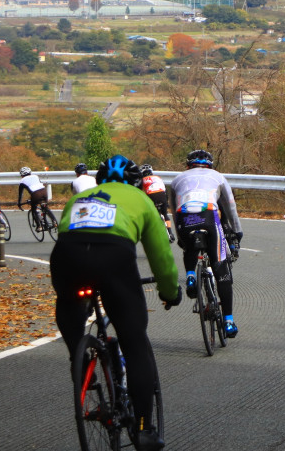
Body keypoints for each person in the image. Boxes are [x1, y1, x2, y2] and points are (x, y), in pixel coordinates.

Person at [51, 153, 181, 451]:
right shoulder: (141, 199)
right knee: (135, 343)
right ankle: (143, 427)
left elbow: (65, 233)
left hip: (67, 257)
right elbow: (160, 254)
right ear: (136, 183)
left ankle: (80, 361)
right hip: (113, 257)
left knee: (70, 306)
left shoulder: (79, 198)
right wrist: (169, 291)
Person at [167, 149, 243, 338]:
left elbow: (174, 213)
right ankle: (228, 322)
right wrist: (237, 231)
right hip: (208, 215)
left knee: (189, 248)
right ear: (210, 164)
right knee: (220, 268)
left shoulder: (177, 180)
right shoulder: (218, 177)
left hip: (185, 216)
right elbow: (230, 207)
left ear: (187, 165)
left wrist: (181, 238)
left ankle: (191, 275)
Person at [137, 164, 174, 242]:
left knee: (148, 215)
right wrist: (166, 203)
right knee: (165, 214)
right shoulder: (158, 178)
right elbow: (165, 191)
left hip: (151, 196)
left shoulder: (142, 180)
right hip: (162, 196)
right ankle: (170, 233)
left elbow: (140, 194)